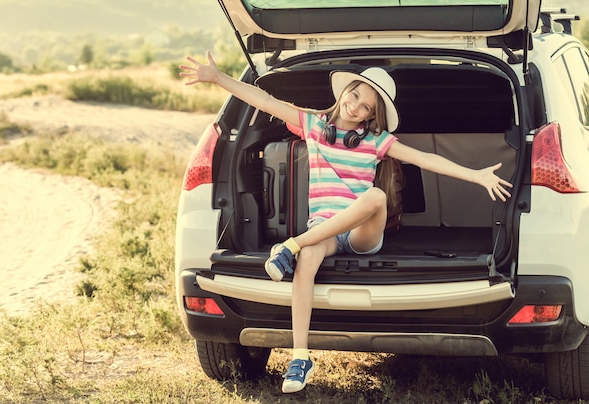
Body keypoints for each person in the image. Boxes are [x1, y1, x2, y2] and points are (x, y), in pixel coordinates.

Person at [180, 51, 512, 394]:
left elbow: (425, 159)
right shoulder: (312, 125)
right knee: (309, 258)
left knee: (375, 198)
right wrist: (218, 78)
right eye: (354, 96)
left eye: (366, 107)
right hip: (322, 228)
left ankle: (291, 246)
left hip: (361, 233)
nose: (355, 107)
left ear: (372, 116)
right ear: (344, 92)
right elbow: (263, 100)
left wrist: (476, 176)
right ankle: (300, 355)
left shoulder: (376, 142)